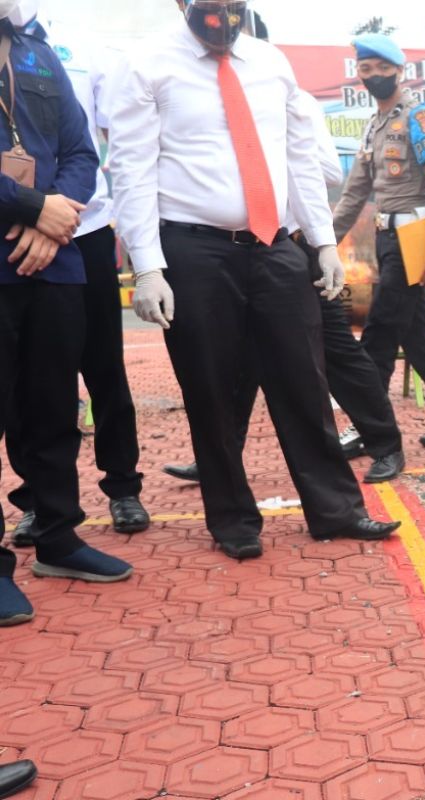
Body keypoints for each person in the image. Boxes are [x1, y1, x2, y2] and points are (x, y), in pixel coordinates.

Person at [108, 0, 400, 561]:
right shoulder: (146, 64)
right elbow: (132, 167)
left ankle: (336, 509)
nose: (224, 15)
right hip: (193, 249)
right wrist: (147, 266)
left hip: (275, 246)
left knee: (305, 379)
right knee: (212, 388)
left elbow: (298, 157)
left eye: (234, 5)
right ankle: (233, 518)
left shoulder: (271, 62)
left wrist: (321, 242)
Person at [161, 19, 405, 485]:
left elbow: (329, 170)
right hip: (240, 252)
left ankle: (385, 444)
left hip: (294, 246)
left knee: (336, 356)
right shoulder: (201, 98)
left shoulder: (291, 97)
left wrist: (278, 165)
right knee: (238, 361)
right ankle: (220, 455)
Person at [1, 3, 133, 625]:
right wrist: (31, 205)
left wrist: (57, 218)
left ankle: (58, 537)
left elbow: (82, 150)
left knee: (53, 408)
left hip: (53, 262)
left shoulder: (37, 51)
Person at [332, 34, 425, 451]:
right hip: (387, 240)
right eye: (366, 69)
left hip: (414, 243)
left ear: (399, 71)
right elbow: (353, 195)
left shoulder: (420, 118)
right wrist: (321, 243)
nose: (374, 75)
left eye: (382, 68)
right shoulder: (372, 127)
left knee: (379, 333)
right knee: (415, 332)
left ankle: (368, 426)